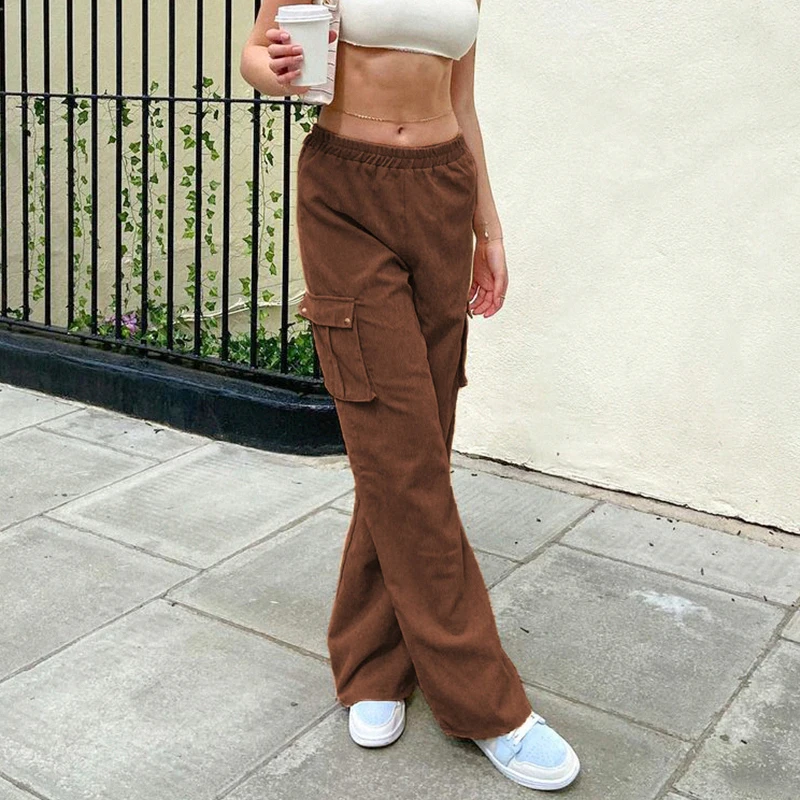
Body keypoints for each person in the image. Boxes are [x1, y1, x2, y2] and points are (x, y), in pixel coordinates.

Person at [240, 0, 580, 791]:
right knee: (401, 452)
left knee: (415, 445)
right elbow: (257, 53)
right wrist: (274, 71)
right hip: (345, 193)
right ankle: (487, 705)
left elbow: (463, 103)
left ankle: (371, 662)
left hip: (442, 192)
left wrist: (490, 232)